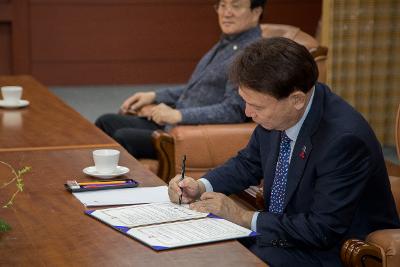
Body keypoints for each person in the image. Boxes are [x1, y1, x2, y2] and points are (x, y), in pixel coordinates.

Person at [168, 37, 400, 266]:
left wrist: (242, 217)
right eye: (245, 102)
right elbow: (248, 163)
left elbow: (321, 229)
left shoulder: (344, 140)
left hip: (333, 250)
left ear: (297, 99)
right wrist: (199, 187)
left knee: (230, 257)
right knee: (202, 246)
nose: (248, 113)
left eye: (257, 106)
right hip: (284, 234)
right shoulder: (281, 113)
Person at [95, 0, 266, 159]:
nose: (226, 12)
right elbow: (197, 87)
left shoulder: (251, 53)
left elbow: (233, 110)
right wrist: (154, 96)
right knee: (106, 122)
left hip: (191, 133)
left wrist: (177, 114)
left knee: (123, 138)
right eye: (222, 5)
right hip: (175, 124)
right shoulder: (228, 42)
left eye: (235, 6)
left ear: (256, 11)